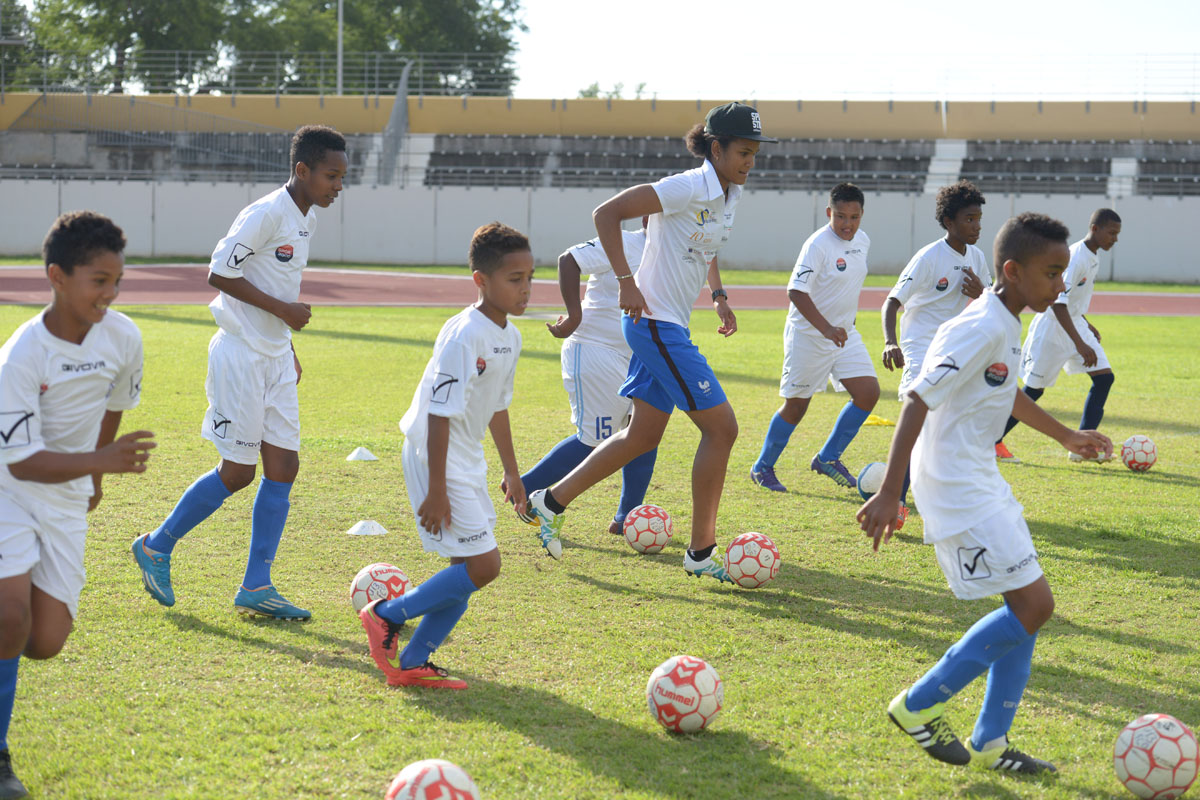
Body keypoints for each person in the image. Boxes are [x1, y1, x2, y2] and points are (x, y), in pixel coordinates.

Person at [857, 212, 1112, 774]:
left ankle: (993, 741)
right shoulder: (982, 326)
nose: (1061, 285)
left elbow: (1003, 391)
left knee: (1025, 604)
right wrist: (890, 493)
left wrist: (1067, 434)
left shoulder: (1003, 319)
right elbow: (917, 399)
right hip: (954, 481)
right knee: (1035, 603)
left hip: (979, 476)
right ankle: (918, 704)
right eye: (1052, 273)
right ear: (1014, 271)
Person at [523, 101, 775, 582]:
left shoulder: (729, 192)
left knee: (642, 436)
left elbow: (707, 248)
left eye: (755, 153)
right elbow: (607, 213)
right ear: (716, 149)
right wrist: (625, 279)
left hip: (667, 324)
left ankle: (550, 500)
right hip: (653, 324)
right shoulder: (687, 185)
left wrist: (718, 295)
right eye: (743, 151)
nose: (750, 162)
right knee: (722, 430)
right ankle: (701, 553)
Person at [131, 125, 348, 619]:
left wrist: (285, 342)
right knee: (238, 473)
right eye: (331, 176)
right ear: (302, 170)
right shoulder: (267, 213)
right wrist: (285, 311)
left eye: (341, 177)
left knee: (284, 468)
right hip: (239, 357)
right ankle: (156, 545)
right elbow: (219, 272)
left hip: (272, 355)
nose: (338, 186)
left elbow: (275, 278)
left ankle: (256, 585)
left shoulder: (304, 218)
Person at [0, 211, 155, 798]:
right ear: (57, 277)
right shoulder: (20, 357)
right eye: (98, 281)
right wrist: (102, 462)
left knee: (45, 641)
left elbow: (113, 400)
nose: (110, 294)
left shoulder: (124, 336)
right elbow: (20, 462)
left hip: (65, 497)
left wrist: (94, 473)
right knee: (9, 622)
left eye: (117, 281)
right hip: (8, 490)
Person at [360, 222, 532, 689]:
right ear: (481, 280)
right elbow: (438, 415)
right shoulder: (463, 336)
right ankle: (386, 614)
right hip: (435, 453)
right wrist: (437, 489)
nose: (526, 289)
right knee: (485, 565)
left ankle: (414, 662)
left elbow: (497, 405)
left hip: (465, 454)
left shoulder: (510, 336)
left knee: (467, 567)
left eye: (530, 277)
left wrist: (513, 472)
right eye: (514, 279)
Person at [513, 218, 658, 537]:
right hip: (595, 349)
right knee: (595, 442)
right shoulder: (622, 241)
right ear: (647, 217)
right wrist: (575, 315)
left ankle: (626, 519)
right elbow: (569, 260)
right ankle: (525, 488)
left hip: (638, 355)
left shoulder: (671, 252)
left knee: (645, 432)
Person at [750, 183, 878, 493]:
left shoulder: (862, 241)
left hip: (845, 334)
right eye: (840, 217)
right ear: (828, 213)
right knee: (796, 407)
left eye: (854, 217)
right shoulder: (817, 245)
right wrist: (825, 329)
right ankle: (762, 467)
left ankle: (828, 458)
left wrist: (845, 322)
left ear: (862, 215)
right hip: (809, 336)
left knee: (868, 393)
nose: (847, 224)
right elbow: (796, 291)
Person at [878, 180, 991, 508]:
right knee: (918, 424)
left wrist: (982, 293)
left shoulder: (978, 258)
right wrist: (889, 342)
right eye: (969, 219)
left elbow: (994, 304)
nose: (977, 226)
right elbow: (892, 302)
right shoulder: (928, 257)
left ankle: (933, 494)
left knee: (946, 429)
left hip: (952, 348)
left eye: (979, 219)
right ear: (949, 223)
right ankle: (895, 500)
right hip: (919, 346)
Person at [995, 209, 1122, 464]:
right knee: (1033, 392)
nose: (1115, 239)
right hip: (1054, 328)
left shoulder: (1092, 256)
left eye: (1117, 234)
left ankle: (1083, 447)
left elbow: (1072, 300)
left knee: (1104, 378)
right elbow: (1058, 302)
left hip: (1074, 323)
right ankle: (992, 442)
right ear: (1095, 229)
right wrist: (1080, 342)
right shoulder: (1076, 257)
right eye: (1111, 233)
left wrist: (1086, 323)